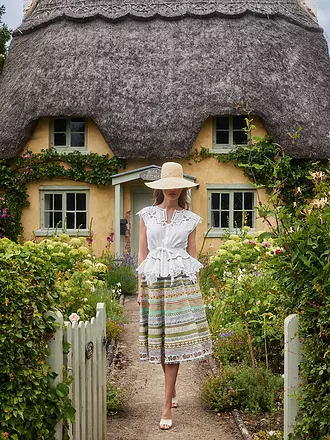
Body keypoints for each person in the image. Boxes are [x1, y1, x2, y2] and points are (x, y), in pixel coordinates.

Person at [136, 162, 213, 430]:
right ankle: (172, 390)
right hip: (154, 282)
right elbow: (142, 253)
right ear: (161, 189)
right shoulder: (146, 215)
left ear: (183, 189)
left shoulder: (190, 219)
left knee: (175, 346)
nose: (173, 190)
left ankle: (166, 404)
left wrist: (197, 287)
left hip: (181, 283)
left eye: (177, 186)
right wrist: (139, 287)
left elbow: (193, 255)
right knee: (159, 343)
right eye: (168, 186)